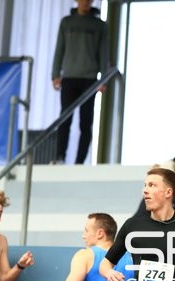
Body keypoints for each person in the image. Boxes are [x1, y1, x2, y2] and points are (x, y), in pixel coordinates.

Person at [51, 0, 108, 165]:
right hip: (69, 77)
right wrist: (55, 73)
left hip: (89, 79)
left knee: (86, 122)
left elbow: (104, 53)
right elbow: (59, 49)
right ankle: (59, 157)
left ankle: (80, 161)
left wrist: (103, 78)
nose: (85, 2)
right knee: (65, 119)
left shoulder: (100, 25)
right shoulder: (66, 22)